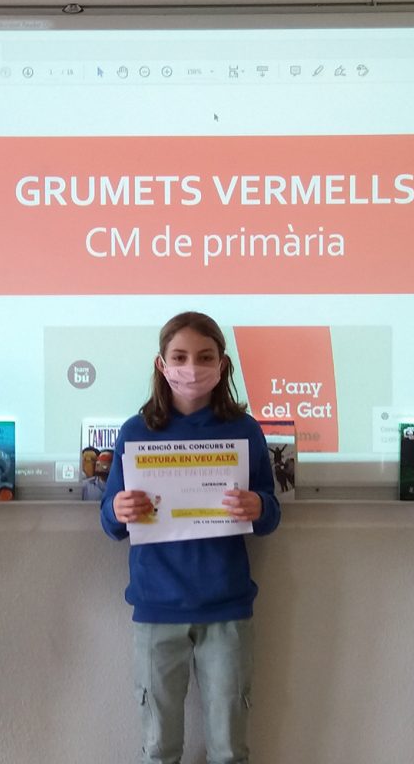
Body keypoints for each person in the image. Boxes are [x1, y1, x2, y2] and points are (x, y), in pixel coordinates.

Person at [100, 311, 281, 764]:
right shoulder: (136, 431)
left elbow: (271, 513)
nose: (192, 367)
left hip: (227, 609)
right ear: (161, 365)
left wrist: (259, 507)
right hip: (156, 609)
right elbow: (110, 522)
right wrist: (118, 509)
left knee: (229, 749)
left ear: (222, 364)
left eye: (204, 357)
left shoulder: (244, 430)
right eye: (179, 357)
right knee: (159, 749)